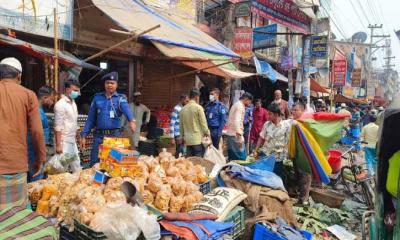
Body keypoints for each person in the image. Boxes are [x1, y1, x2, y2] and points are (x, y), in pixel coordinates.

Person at [0, 57, 46, 210]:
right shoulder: (28, 95)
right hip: (15, 163)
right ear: (19, 76)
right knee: (16, 215)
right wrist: (40, 158)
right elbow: (37, 132)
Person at [80, 72, 136, 166]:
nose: (109, 85)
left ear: (116, 85)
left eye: (112, 83)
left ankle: (111, 181)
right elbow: (90, 119)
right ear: (104, 84)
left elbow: (126, 109)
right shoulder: (97, 98)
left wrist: (131, 120)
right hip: (99, 136)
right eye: (107, 83)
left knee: (113, 164)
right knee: (95, 163)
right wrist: (84, 135)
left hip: (114, 136)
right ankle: (97, 180)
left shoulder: (120, 98)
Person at [253, 103, 292, 179]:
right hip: (265, 155)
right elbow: (261, 137)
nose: (268, 116)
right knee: (263, 177)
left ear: (276, 114)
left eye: (270, 114)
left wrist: (288, 153)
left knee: (276, 178)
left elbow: (288, 141)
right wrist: (255, 150)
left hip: (278, 158)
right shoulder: (267, 124)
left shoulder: (286, 126)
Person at [27, 86, 56, 182]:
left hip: (37, 148)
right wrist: (41, 155)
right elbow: (37, 134)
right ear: (44, 97)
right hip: (34, 150)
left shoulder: (39, 110)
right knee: (36, 177)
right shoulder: (37, 112)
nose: (52, 102)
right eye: (51, 99)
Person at [54, 78, 82, 173]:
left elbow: (75, 123)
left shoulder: (73, 104)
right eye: (75, 90)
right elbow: (58, 126)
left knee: (77, 167)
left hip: (72, 141)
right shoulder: (60, 105)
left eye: (78, 90)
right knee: (61, 169)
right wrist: (58, 145)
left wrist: (79, 138)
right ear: (67, 90)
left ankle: (77, 186)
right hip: (64, 142)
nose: (77, 93)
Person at [290, 101, 312, 204]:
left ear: (302, 111)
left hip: (305, 155)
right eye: (293, 109)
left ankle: (304, 199)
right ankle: (301, 197)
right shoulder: (293, 122)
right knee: (298, 175)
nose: (293, 112)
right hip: (296, 154)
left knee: (305, 177)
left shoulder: (306, 121)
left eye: (296, 110)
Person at [179, 88, 210, 157]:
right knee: (198, 162)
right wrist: (208, 134)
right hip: (197, 140)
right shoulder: (199, 108)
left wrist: (181, 136)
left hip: (187, 141)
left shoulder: (183, 109)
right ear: (196, 97)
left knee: (190, 161)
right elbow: (204, 124)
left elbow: (181, 126)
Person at [226, 92, 253, 161]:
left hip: (231, 134)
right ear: (246, 99)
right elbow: (237, 121)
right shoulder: (240, 106)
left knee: (232, 157)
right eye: (249, 102)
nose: (249, 104)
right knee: (241, 158)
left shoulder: (236, 104)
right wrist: (239, 136)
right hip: (235, 135)